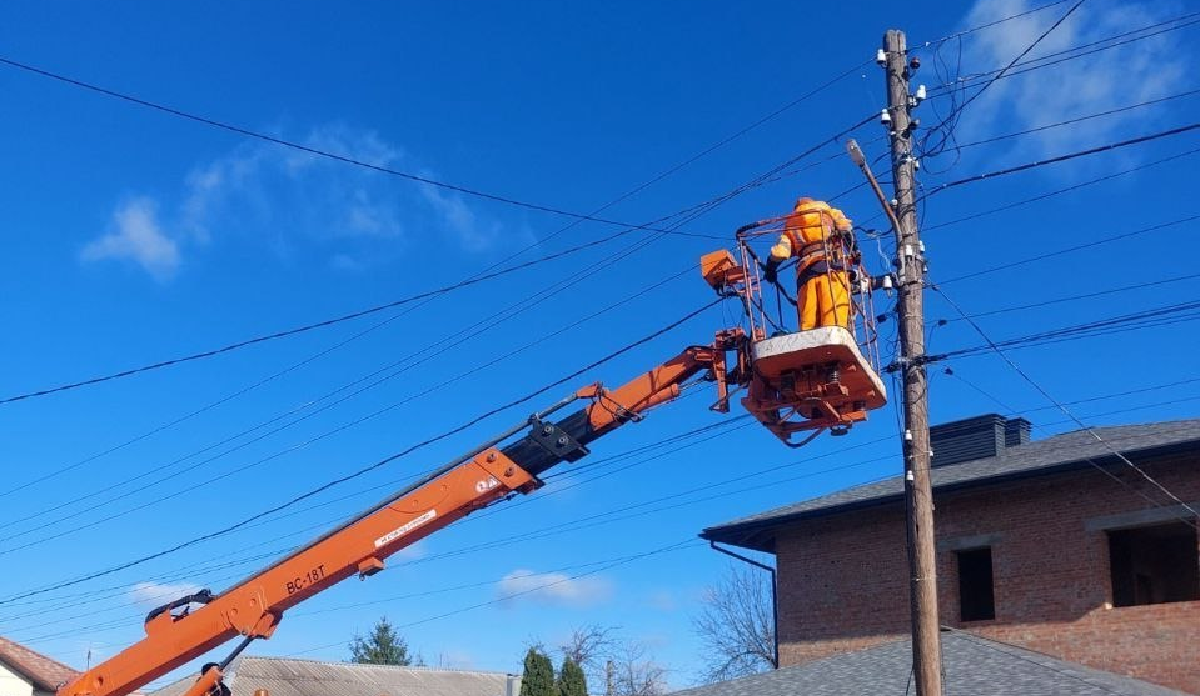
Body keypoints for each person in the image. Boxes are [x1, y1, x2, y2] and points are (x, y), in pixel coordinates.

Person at [763, 197, 853, 331]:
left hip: (806, 275)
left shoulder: (791, 224)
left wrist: (770, 269)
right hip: (833, 269)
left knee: (808, 320)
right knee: (833, 316)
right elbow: (845, 229)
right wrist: (854, 250)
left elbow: (780, 252)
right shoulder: (828, 213)